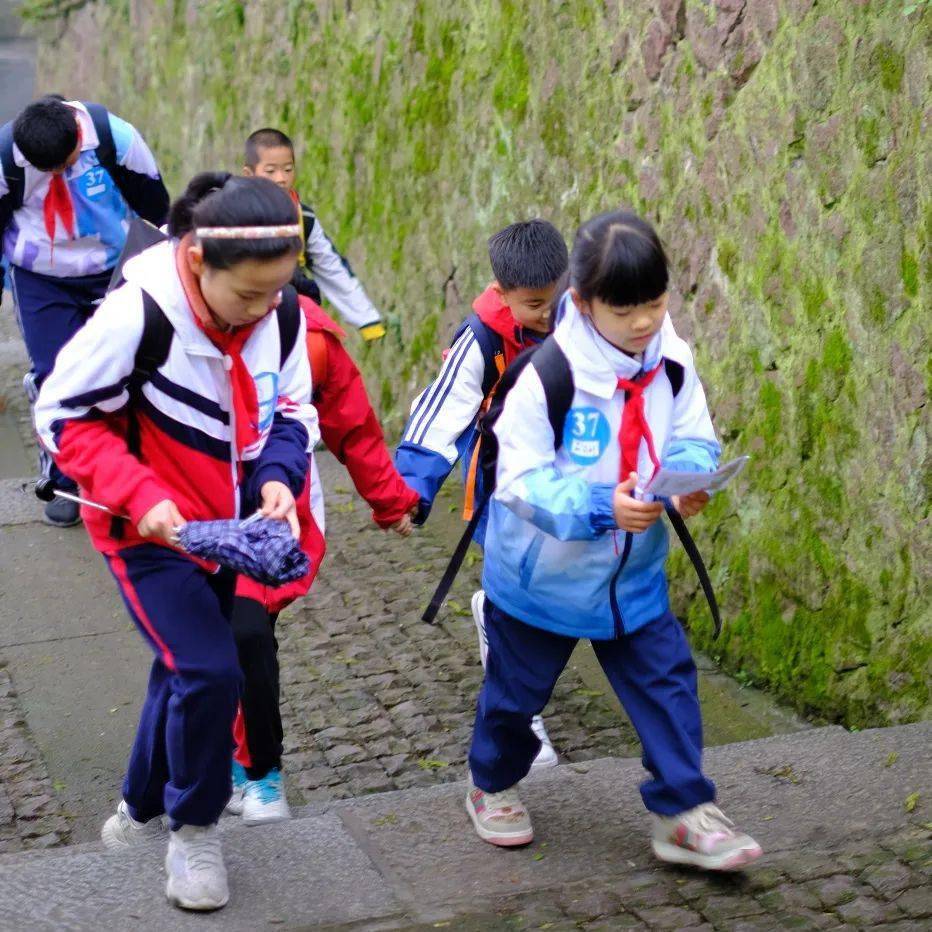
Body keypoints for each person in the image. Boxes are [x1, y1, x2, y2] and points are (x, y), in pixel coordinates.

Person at [33, 172, 316, 911]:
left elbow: (291, 409)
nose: (262, 311)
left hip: (228, 531)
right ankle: (194, 833)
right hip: (144, 534)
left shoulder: (281, 315)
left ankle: (135, 808)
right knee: (209, 669)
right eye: (247, 296)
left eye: (276, 293)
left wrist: (278, 478)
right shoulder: (137, 316)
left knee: (180, 668)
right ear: (196, 260)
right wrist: (141, 494)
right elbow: (61, 416)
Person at [464, 209, 763, 872]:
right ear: (582, 302)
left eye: (654, 304)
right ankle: (491, 782)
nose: (643, 323)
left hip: (633, 579)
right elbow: (519, 482)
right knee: (515, 699)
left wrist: (687, 475)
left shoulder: (671, 357)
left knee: (668, 684)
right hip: (541, 580)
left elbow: (691, 429)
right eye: (624, 309)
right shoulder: (548, 376)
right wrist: (602, 506)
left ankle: (684, 813)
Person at [227, 293, 420, 824]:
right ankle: (212, 761)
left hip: (274, 512)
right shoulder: (168, 318)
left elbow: (351, 425)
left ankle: (260, 771)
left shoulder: (307, 338)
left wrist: (390, 500)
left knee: (248, 633)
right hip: (189, 507)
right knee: (206, 637)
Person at [395, 219, 568, 767]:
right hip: (504, 478)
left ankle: (494, 610)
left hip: (568, 475)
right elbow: (438, 415)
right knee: (521, 586)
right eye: (533, 304)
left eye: (555, 299)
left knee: (553, 587)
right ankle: (520, 717)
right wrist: (411, 492)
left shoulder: (586, 319)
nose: (546, 314)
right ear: (501, 294)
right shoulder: (481, 338)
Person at [0, 96, 169, 526]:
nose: (59, 174)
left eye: (66, 163)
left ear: (77, 137)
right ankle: (64, 480)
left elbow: (155, 205)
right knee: (55, 373)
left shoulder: (117, 139)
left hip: (114, 266)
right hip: (40, 275)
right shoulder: (7, 163)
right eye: (49, 169)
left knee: (133, 366)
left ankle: (138, 470)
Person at [243, 127, 385, 342]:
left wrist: (367, 319)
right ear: (249, 175)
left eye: (288, 169)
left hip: (296, 313)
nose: (281, 178)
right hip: (247, 318)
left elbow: (330, 266)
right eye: (270, 171)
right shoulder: (232, 218)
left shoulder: (304, 218)